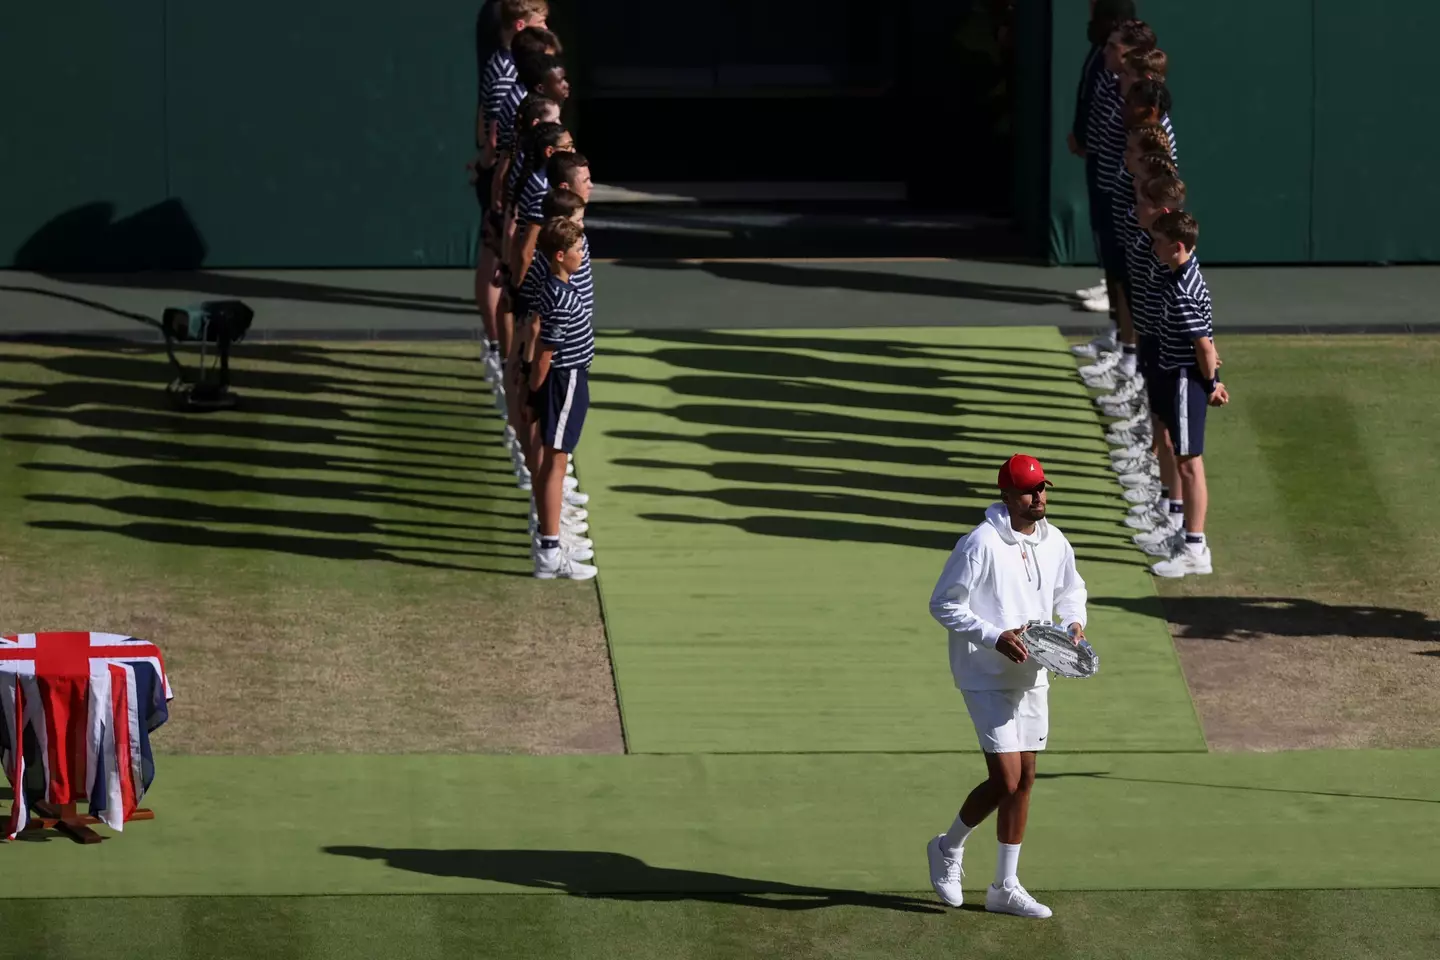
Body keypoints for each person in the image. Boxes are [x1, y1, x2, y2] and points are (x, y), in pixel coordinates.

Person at [926, 454, 1089, 918]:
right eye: (1028, 491)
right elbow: (944, 605)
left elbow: (1070, 589)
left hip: (1032, 673)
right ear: (1006, 495)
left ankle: (1004, 886)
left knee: (1026, 780)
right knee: (1006, 778)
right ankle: (947, 847)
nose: (1038, 497)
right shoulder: (979, 544)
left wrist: (1073, 623)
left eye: (1042, 489)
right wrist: (995, 637)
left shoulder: (1055, 540)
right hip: (984, 674)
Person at [1147, 211, 1227, 577]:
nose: (1153, 247)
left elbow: (1204, 347)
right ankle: (1186, 535)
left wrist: (1212, 384)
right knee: (1184, 459)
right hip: (1179, 375)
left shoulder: (1182, 289)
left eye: (1159, 242)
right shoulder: (1179, 274)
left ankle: (1196, 547)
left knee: (1190, 462)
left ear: (1177, 247)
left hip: (1186, 380)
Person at [475, 0, 550, 381]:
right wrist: (489, 168)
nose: (546, 29)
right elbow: (494, 139)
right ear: (521, 25)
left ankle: (500, 356)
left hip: (505, 181)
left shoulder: (500, 67)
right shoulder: (508, 75)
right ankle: (504, 360)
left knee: (500, 267)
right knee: (506, 273)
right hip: (509, 187)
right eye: (542, 23)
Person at [529, 218, 598, 581]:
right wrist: (533, 393)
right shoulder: (560, 296)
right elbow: (545, 352)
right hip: (565, 381)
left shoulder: (559, 286)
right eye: (577, 250)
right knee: (557, 463)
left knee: (556, 461)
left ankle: (551, 540)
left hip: (569, 380)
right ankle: (551, 550)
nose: (582, 254)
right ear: (560, 255)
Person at [1069, 0, 1137, 323]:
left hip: (1120, 184)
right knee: (1109, 249)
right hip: (1103, 171)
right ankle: (1116, 339)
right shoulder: (1101, 63)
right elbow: (1090, 105)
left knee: (1124, 264)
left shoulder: (1134, 95)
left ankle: (1129, 355)